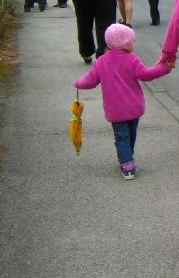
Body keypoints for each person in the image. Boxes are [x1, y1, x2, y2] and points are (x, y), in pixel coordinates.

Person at [73, 23, 171, 179]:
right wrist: (164, 68)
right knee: (130, 135)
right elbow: (146, 74)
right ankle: (127, 161)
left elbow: (90, 81)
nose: (134, 43)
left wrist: (78, 83)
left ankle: (126, 158)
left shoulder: (101, 62)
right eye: (132, 41)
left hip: (115, 109)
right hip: (134, 107)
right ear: (124, 44)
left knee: (122, 136)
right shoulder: (132, 60)